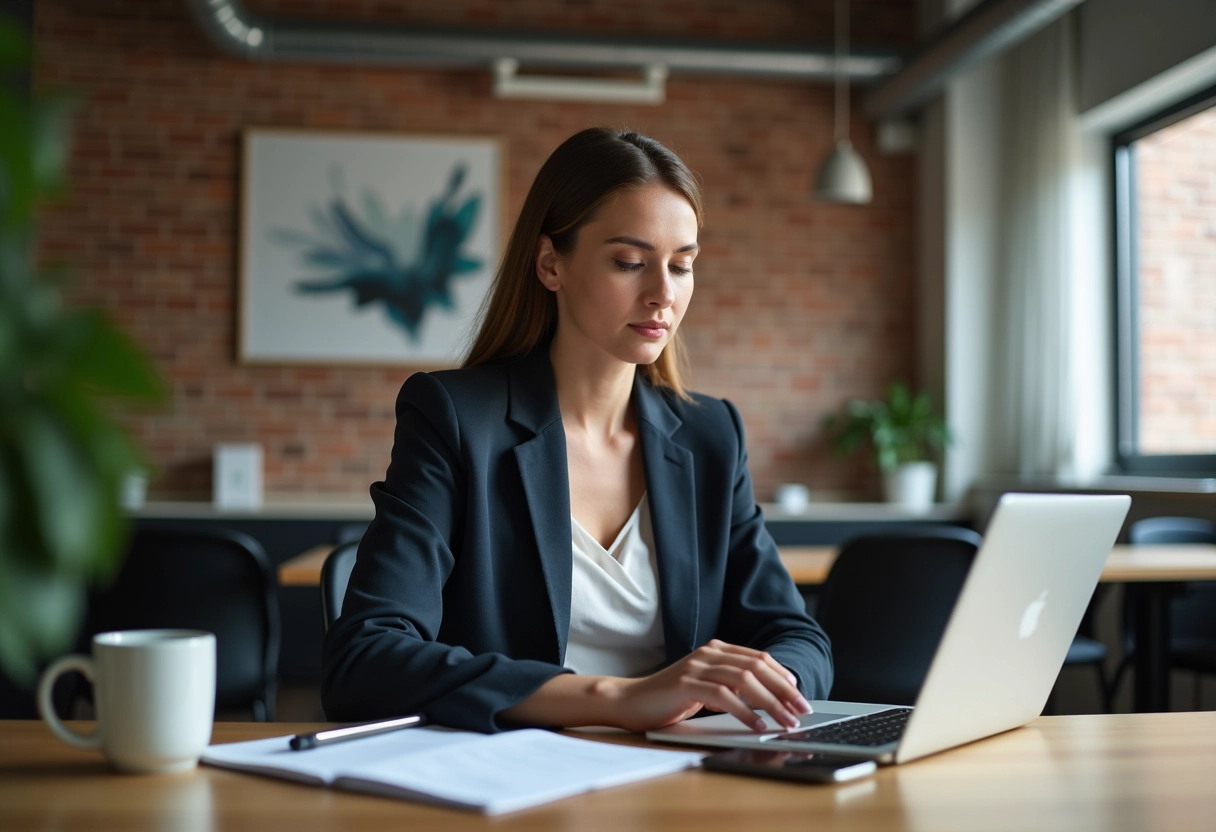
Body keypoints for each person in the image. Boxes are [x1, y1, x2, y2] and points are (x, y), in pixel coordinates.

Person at [321, 127, 833, 734]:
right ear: (549, 264)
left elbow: (798, 637)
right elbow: (366, 659)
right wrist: (616, 699)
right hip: (512, 781)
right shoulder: (456, 419)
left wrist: (750, 688)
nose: (662, 295)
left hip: (681, 776)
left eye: (682, 266)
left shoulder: (710, 434)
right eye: (629, 263)